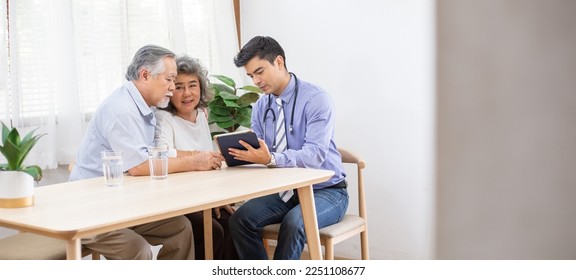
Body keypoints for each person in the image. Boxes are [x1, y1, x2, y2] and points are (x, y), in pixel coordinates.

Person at [69, 44, 215, 260]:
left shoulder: (147, 107)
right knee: (137, 249)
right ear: (145, 75)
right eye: (169, 79)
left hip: (122, 203)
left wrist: (192, 156)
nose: (173, 88)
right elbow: (139, 166)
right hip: (92, 208)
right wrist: (195, 162)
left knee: (180, 228)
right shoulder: (122, 109)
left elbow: (156, 153)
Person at [227, 36, 349, 260]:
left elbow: (315, 155)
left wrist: (271, 159)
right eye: (251, 75)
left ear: (279, 62)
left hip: (327, 192)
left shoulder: (316, 99)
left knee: (294, 224)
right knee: (240, 219)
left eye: (260, 71)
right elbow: (260, 149)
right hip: (286, 194)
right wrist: (239, 154)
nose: (256, 81)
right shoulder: (262, 106)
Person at [154, 55, 238, 260]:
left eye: (193, 85)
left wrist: (216, 198)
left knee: (235, 222)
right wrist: (197, 159)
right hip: (177, 199)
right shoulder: (164, 118)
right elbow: (162, 155)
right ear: (170, 90)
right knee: (214, 232)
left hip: (202, 196)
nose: (187, 93)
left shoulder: (202, 114)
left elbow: (209, 165)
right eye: (179, 87)